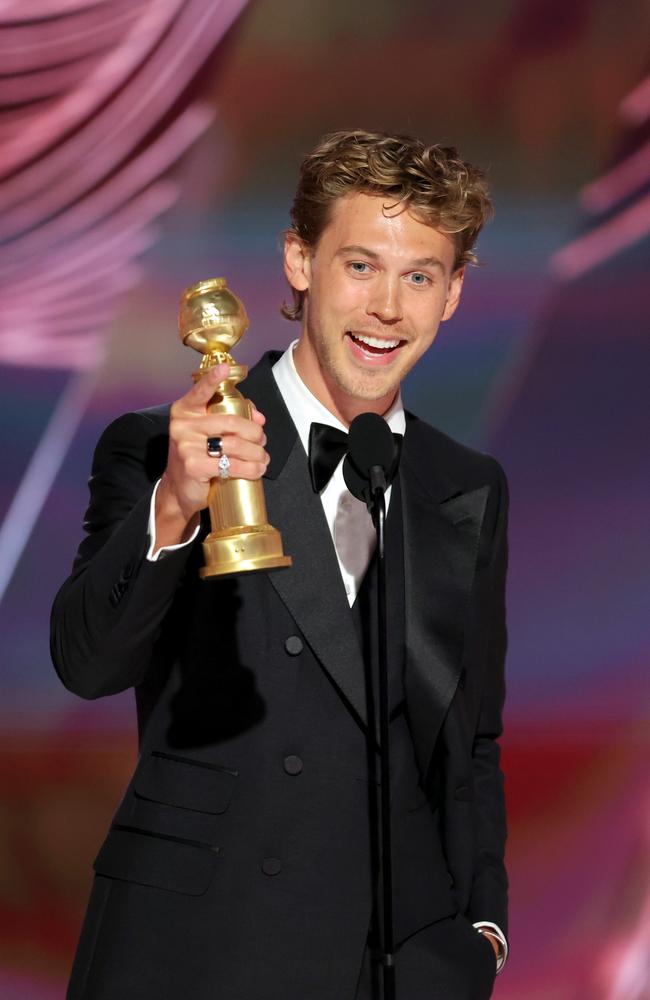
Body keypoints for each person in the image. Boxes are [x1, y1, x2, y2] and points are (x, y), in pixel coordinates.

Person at [51, 129, 509, 1000]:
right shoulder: (163, 445)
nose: (387, 308)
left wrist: (481, 927)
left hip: (401, 961)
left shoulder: (466, 485)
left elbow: (470, 739)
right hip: (201, 948)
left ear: (452, 294)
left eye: (419, 277)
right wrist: (177, 506)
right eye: (361, 266)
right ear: (299, 262)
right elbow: (87, 663)